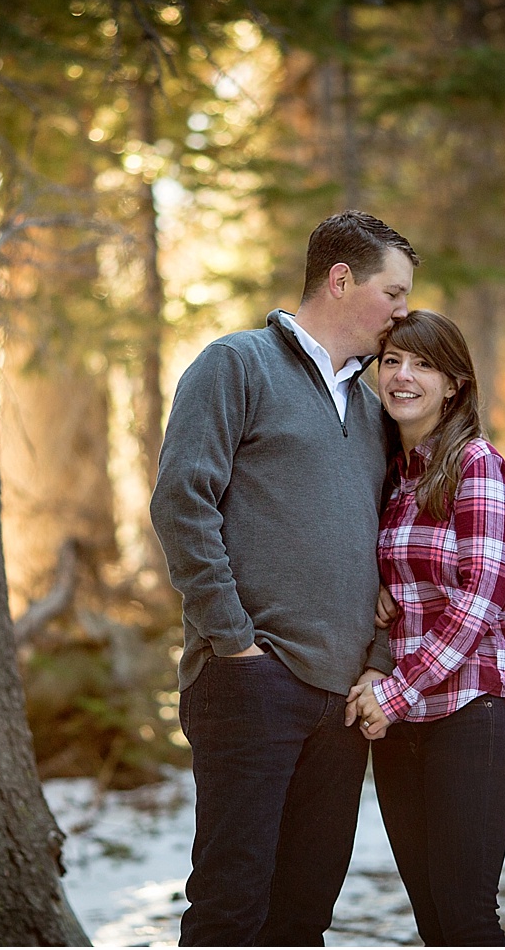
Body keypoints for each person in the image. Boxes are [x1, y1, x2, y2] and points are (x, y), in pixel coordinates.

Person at [150, 211, 418, 946]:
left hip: (340, 701)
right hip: (250, 682)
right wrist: (233, 640)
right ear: (340, 280)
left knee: (302, 918)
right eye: (393, 293)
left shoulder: (371, 410)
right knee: (232, 910)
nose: (404, 312)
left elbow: (384, 543)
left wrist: (375, 658)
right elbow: (182, 501)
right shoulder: (236, 365)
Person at [345, 309, 505, 947]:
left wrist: (392, 693)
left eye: (424, 364)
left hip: (474, 705)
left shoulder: (475, 466)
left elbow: (477, 603)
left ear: (454, 384)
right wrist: (379, 589)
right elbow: (409, 575)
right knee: (435, 922)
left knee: (465, 917)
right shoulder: (395, 479)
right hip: (404, 720)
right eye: (393, 360)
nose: (403, 376)